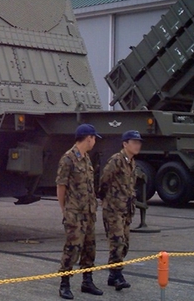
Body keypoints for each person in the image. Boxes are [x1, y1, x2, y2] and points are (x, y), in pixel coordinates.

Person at [55, 123, 105, 299]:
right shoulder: (68, 159)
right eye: (93, 139)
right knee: (72, 248)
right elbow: (61, 186)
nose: (94, 142)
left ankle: (87, 281)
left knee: (89, 248)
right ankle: (65, 283)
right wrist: (65, 210)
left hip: (89, 212)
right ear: (88, 138)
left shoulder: (85, 158)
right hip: (74, 214)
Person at [98, 129, 142, 291]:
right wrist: (105, 199)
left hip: (126, 210)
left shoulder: (132, 162)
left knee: (125, 244)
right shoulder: (116, 160)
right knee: (117, 242)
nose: (137, 145)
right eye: (134, 142)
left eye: (139, 143)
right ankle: (117, 275)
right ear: (125, 144)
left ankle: (113, 275)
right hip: (113, 209)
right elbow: (104, 180)